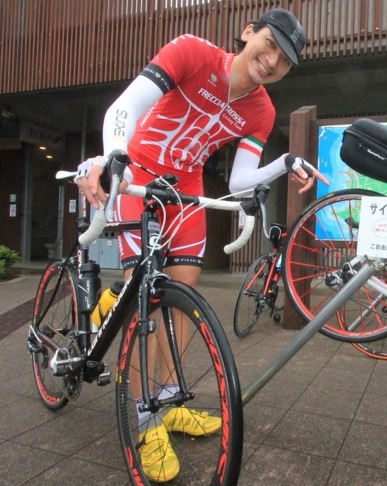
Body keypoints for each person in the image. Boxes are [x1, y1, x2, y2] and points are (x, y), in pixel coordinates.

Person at [75, 9, 328, 482]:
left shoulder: (263, 110)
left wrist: (285, 162)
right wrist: (113, 158)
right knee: (147, 311)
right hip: (140, 174)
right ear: (248, 33)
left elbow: (238, 179)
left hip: (185, 188)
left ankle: (169, 400)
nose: (272, 60)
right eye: (269, 44)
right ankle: (146, 423)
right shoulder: (193, 50)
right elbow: (122, 110)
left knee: (184, 301)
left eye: (285, 60)